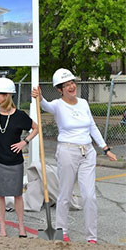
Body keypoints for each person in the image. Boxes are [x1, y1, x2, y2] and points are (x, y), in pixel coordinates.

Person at [32, 68, 117, 244]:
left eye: (72, 82)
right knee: (65, 194)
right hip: (67, 151)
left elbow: (92, 126)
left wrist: (105, 148)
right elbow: (45, 105)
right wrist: (39, 97)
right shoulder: (57, 104)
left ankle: (91, 237)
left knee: (89, 196)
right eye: (66, 85)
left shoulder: (84, 103)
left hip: (88, 152)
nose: (71, 86)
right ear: (59, 89)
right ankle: (61, 230)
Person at [0, 77, 38, 238]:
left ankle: (21, 226)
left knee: (17, 194)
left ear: (7, 95)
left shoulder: (19, 115)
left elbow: (36, 128)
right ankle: (2, 226)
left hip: (15, 161)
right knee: (0, 194)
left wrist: (24, 142)